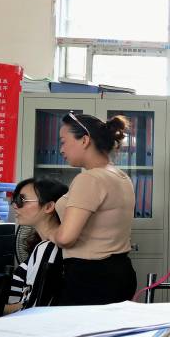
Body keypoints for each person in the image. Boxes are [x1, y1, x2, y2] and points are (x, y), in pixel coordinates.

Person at [50, 112, 137, 305]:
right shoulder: (120, 176)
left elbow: (66, 238)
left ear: (85, 140)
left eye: (63, 141)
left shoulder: (89, 179)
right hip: (119, 271)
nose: (61, 149)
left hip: (90, 277)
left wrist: (50, 232)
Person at [6, 178, 68, 310]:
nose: (15, 206)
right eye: (15, 200)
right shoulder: (45, 247)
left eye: (21, 200)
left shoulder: (47, 248)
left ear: (49, 207)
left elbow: (30, 307)